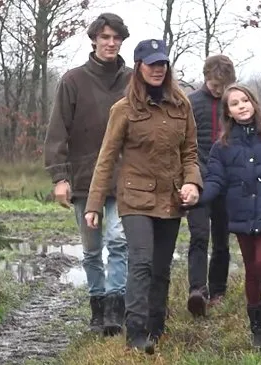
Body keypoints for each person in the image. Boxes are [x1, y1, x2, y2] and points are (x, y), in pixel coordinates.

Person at [83, 39, 202, 354]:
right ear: (139, 67)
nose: (158, 69)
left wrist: (193, 183)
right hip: (135, 198)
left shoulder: (181, 105)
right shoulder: (123, 109)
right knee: (141, 262)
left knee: (161, 267)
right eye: (151, 64)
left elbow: (190, 152)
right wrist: (94, 204)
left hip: (171, 199)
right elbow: (106, 159)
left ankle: (156, 327)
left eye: (162, 63)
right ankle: (135, 334)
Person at [196, 84, 261, 347]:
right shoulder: (221, 148)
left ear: (254, 103)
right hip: (241, 215)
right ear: (228, 112)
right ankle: (257, 330)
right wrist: (195, 197)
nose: (241, 106)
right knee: (252, 270)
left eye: (245, 100)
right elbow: (214, 180)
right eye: (234, 103)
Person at [43, 13, 131, 336]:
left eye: (116, 38)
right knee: (92, 249)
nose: (110, 43)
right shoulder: (73, 80)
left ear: (122, 41)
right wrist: (59, 178)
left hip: (124, 178)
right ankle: (97, 303)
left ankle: (115, 307)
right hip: (83, 178)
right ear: (94, 39)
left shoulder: (133, 80)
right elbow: (56, 132)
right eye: (105, 37)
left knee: (119, 241)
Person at [185, 55, 236, 316]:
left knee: (222, 239)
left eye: (224, 86)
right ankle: (197, 290)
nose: (219, 90)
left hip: (227, 183)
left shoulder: (235, 104)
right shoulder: (191, 103)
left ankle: (218, 290)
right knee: (199, 235)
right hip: (198, 181)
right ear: (206, 78)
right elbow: (183, 144)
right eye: (216, 85)